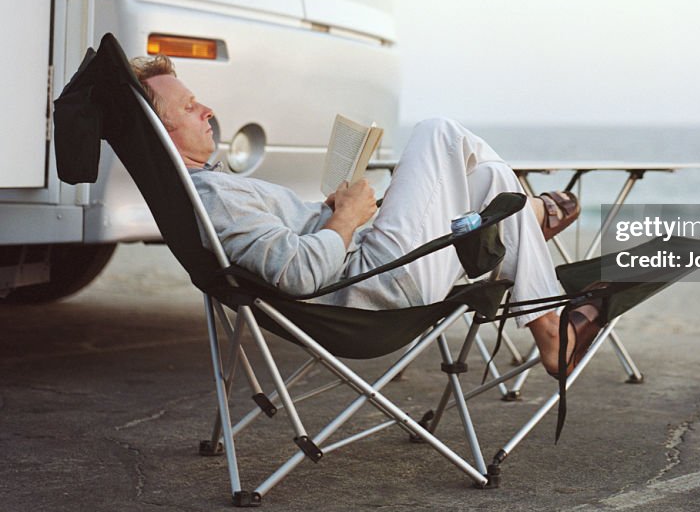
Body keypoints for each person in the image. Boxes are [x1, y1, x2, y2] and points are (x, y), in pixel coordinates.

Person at [130, 55, 602, 377]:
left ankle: (534, 263)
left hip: (373, 272)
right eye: (189, 107)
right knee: (440, 134)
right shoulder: (213, 195)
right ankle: (538, 262)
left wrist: (330, 213)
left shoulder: (212, 190)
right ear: (160, 131)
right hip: (376, 287)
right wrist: (349, 217)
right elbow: (298, 274)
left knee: (489, 181)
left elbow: (286, 253)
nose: (207, 110)